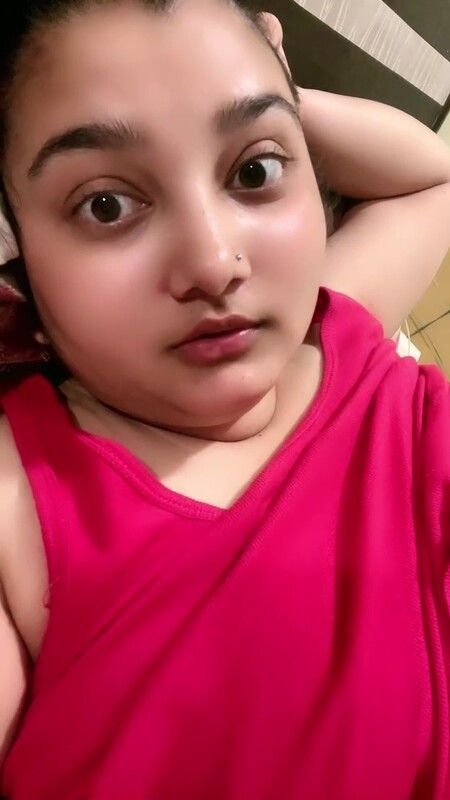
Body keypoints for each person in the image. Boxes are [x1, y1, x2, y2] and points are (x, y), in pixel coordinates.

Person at [0, 0, 449, 797]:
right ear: (20, 250)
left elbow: (432, 180)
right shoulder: (19, 501)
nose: (213, 263)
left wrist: (282, 89)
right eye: (106, 205)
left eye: (254, 172)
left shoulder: (337, 326)